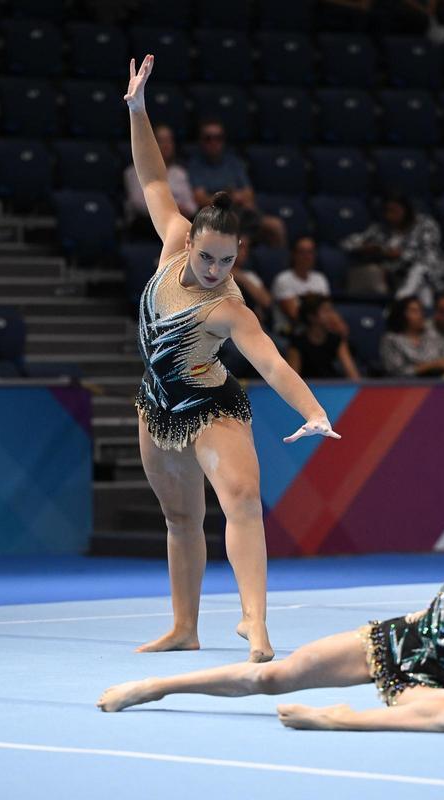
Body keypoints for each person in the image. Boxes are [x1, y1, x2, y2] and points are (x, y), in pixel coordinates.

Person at [98, 395, 444, 734]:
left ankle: (345, 720)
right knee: (275, 676)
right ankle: (154, 688)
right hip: (393, 641)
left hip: (430, 687)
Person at [125, 54, 340, 663]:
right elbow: (153, 181)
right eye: (208, 257)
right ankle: (184, 627)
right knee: (179, 519)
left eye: (228, 260)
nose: (216, 269)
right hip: (156, 404)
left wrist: (315, 410)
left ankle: (255, 623)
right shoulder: (172, 243)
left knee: (242, 499)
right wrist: (139, 111)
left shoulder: (231, 308)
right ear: (190, 240)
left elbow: (272, 365)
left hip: (210, 403)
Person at [185, 117, 286, 248]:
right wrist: (231, 197)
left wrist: (224, 197)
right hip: (215, 217)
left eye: (218, 138)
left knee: (275, 226)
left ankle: (281, 265)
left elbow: (249, 193)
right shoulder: (195, 166)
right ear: (201, 141)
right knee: (240, 241)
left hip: (240, 212)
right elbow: (200, 198)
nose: (213, 142)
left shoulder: (233, 162)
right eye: (208, 138)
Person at [340, 193, 444, 306]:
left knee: (419, 270)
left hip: (432, 274)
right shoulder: (380, 229)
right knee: (423, 289)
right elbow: (346, 243)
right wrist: (365, 248)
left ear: (406, 209)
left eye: (395, 210)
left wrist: (400, 255)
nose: (391, 215)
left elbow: (430, 255)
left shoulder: (425, 224)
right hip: (397, 278)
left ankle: (398, 304)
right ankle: (424, 313)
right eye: (387, 211)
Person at [124, 122, 197, 239]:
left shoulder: (179, 173)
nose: (166, 145)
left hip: (178, 225)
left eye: (169, 140)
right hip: (147, 225)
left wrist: (179, 211)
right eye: (161, 140)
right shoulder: (134, 171)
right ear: (151, 143)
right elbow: (139, 203)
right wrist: (172, 209)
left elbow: (192, 206)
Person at [379, 296, 444, 379]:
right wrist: (431, 365)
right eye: (414, 311)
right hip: (403, 388)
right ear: (401, 314)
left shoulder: (432, 335)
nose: (420, 315)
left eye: (421, 310)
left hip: (436, 386)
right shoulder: (390, 339)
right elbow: (396, 372)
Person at [287, 293, 361, 380]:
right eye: (326, 311)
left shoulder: (336, 340)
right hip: (307, 389)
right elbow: (292, 379)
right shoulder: (298, 343)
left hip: (332, 387)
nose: (331, 315)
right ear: (312, 317)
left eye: (331, 310)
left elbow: (354, 376)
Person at [271, 236, 330, 334]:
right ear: (294, 254)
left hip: (317, 331)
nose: (307, 257)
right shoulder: (283, 279)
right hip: (291, 331)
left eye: (310, 252)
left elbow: (327, 310)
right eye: (302, 252)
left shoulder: (320, 278)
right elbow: (295, 314)